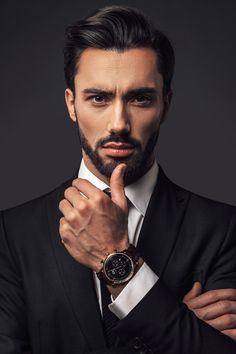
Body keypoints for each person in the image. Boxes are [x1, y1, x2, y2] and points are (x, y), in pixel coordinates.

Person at [0, 5, 236, 354]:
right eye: (98, 98)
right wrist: (177, 324)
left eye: (140, 98)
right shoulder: (11, 235)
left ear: (166, 105)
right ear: (71, 104)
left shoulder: (224, 229)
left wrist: (116, 260)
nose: (118, 124)